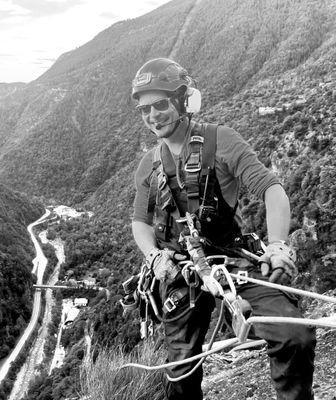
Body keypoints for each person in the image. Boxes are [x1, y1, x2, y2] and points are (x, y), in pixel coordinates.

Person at [130, 58, 316, 400]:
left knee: (294, 336)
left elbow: (271, 190)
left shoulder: (221, 142)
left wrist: (277, 245)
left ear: (184, 101)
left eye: (160, 105)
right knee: (181, 367)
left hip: (232, 257)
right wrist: (154, 256)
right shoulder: (149, 164)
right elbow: (140, 221)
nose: (152, 116)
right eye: (144, 110)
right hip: (180, 266)